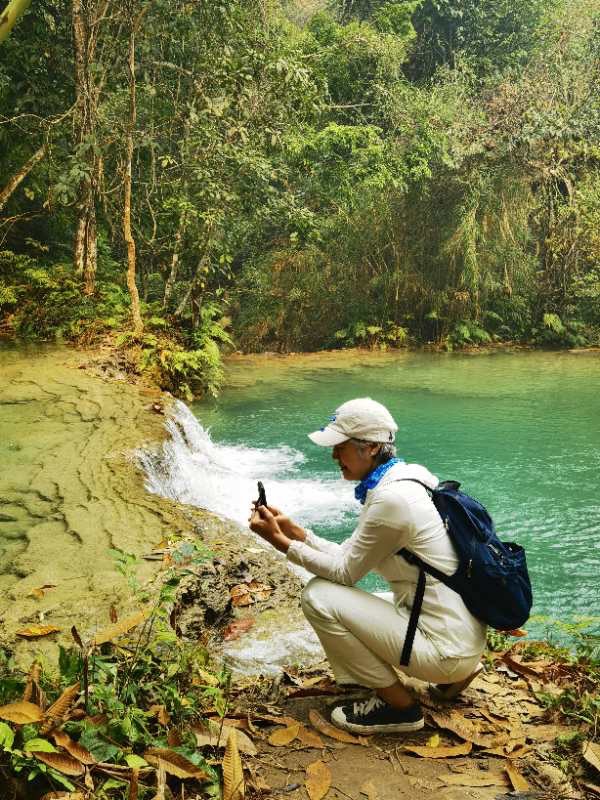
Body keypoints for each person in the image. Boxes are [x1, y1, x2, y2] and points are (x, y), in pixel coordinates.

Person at [249, 397, 486, 735]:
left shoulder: (390, 501)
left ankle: (399, 708)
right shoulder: (408, 478)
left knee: (319, 597)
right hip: (459, 633)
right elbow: (352, 555)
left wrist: (280, 543)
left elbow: (346, 573)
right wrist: (297, 533)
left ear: (371, 447)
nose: (333, 456)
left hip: (444, 647)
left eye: (340, 447)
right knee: (365, 595)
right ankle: (455, 677)